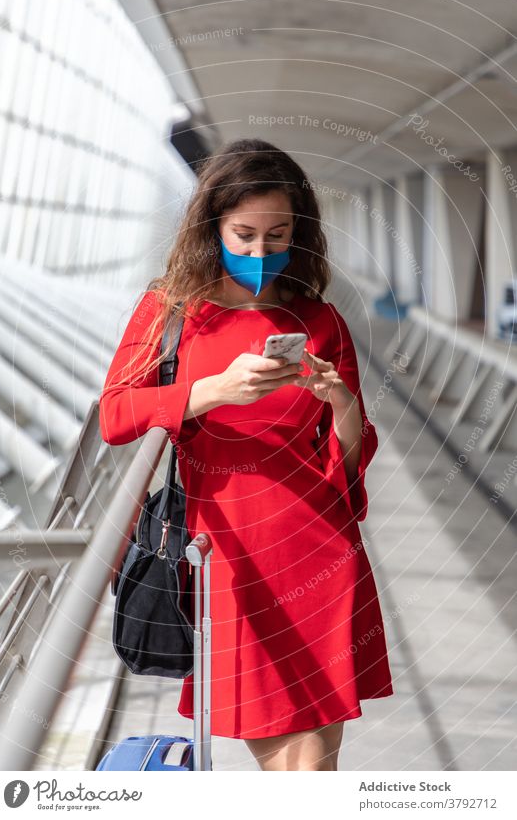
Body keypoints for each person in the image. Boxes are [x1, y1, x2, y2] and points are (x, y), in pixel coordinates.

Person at [99, 137, 394, 771]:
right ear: (212, 230)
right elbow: (116, 416)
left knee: (313, 760)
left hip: (320, 551)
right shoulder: (168, 313)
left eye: (278, 234)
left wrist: (339, 402)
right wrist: (212, 391)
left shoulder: (319, 321)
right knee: (299, 762)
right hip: (230, 552)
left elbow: (349, 461)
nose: (262, 252)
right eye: (244, 235)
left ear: (300, 233)